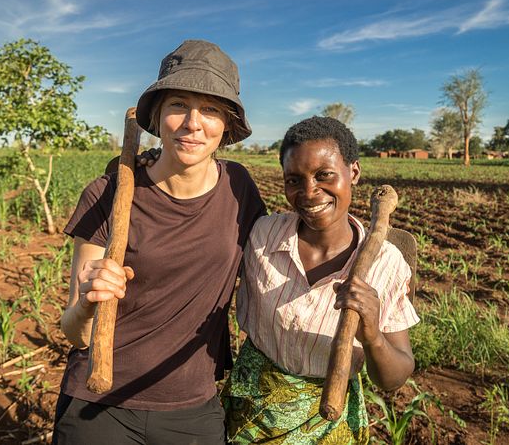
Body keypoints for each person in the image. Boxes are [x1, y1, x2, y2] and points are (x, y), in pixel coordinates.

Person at [54, 40, 266, 444]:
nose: (193, 122)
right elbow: (75, 334)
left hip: (193, 405)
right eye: (178, 105)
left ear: (225, 125)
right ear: (157, 115)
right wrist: (86, 302)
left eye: (210, 110)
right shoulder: (108, 193)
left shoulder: (240, 189)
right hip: (99, 403)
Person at [222, 116, 419, 444]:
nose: (309, 193)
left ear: (353, 172)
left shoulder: (386, 264)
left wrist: (371, 334)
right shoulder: (262, 235)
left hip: (330, 419)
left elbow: (394, 377)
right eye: (294, 180)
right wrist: (160, 161)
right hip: (252, 412)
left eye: (324, 175)